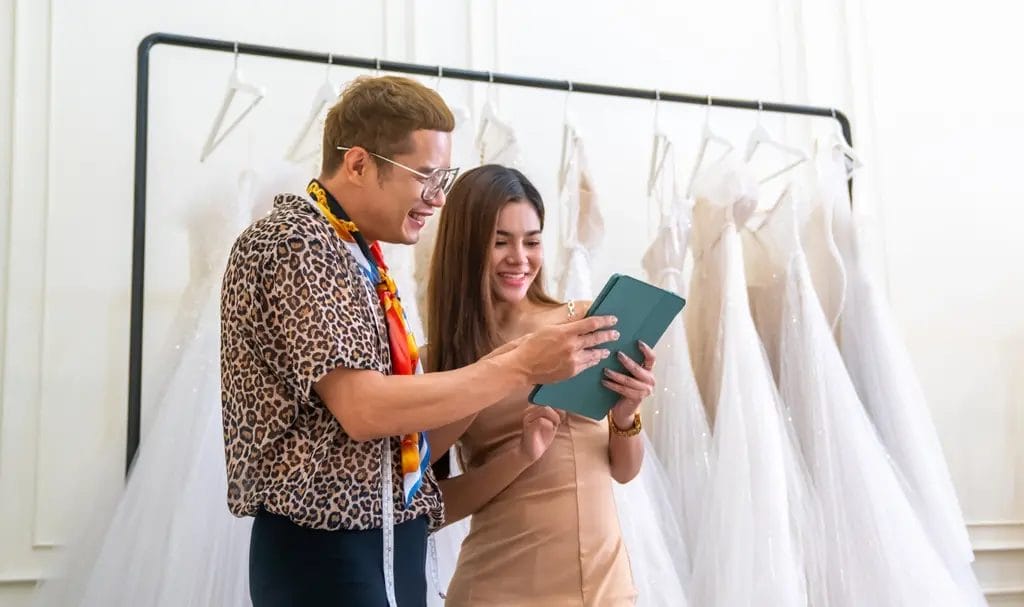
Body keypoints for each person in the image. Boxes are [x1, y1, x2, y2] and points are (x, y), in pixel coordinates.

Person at [219, 77, 619, 606]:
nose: (438, 199)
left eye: (444, 177)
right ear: (359, 164)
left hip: (384, 548)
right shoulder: (296, 244)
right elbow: (363, 410)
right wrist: (520, 365)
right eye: (426, 177)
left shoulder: (356, 257)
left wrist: (521, 439)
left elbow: (401, 463)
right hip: (328, 553)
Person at [424, 165, 665, 606]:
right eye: (500, 242)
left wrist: (626, 414)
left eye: (532, 241)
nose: (520, 258)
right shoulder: (439, 361)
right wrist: (520, 452)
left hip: (604, 588)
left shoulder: (585, 321)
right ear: (465, 248)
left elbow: (624, 471)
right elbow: (424, 509)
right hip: (499, 589)